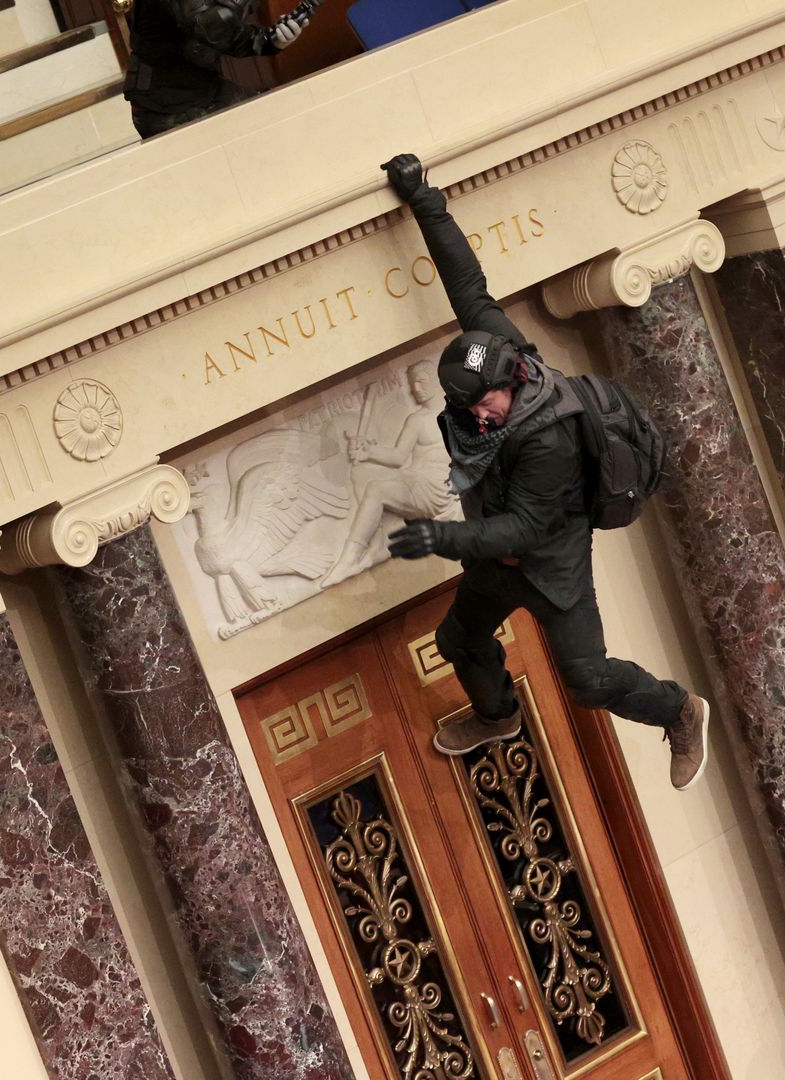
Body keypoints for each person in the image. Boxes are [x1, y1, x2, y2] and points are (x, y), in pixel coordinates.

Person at [378, 152, 712, 791]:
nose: (477, 417)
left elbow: (521, 530)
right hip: (494, 564)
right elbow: (467, 285)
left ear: (511, 382)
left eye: (484, 404)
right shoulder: (499, 348)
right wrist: (424, 200)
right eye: (466, 407)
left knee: (587, 682)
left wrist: (439, 538)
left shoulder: (547, 438)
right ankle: (497, 715)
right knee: (458, 640)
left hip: (550, 564)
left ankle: (679, 709)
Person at [321, 361, 455, 588]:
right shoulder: (417, 420)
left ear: (437, 379)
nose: (416, 388)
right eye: (413, 384)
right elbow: (398, 457)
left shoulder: (458, 414)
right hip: (414, 480)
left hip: (438, 488)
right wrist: (367, 452)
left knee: (377, 489)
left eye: (421, 381)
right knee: (361, 474)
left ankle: (350, 558)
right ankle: (374, 544)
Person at [126, 0, 322, 139]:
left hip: (204, 87)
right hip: (164, 106)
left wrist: (272, 41)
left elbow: (228, 36)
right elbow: (211, 23)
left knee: (275, 125)